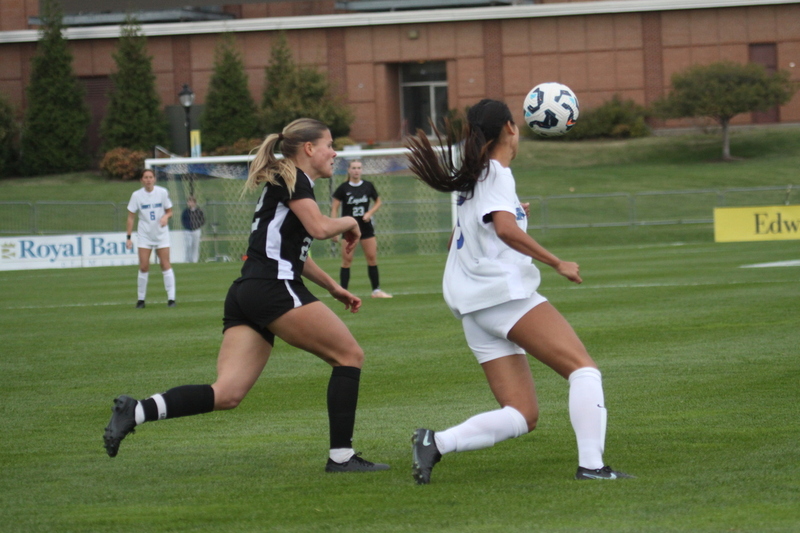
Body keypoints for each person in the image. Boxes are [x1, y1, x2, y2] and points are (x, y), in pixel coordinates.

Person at [104, 118, 390, 474]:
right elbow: (318, 230)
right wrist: (352, 223)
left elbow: (291, 251)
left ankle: (137, 410)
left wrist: (333, 287)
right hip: (272, 288)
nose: (336, 152)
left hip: (247, 291)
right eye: (330, 144)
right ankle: (342, 458)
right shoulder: (296, 180)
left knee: (227, 394)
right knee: (349, 355)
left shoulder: (290, 182)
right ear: (309, 149)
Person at [405, 99, 632, 484]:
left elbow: (463, 238)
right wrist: (557, 262)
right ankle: (592, 466)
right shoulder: (495, 172)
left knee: (522, 414)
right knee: (584, 371)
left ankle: (436, 442)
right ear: (511, 127)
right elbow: (506, 231)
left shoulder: (474, 177)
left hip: (475, 309)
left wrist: (512, 212)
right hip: (503, 297)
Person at [330, 160, 392, 298]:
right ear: (349, 170)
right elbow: (334, 207)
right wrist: (334, 227)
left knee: (372, 258)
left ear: (361, 170)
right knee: (347, 260)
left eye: (359, 168)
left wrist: (370, 213)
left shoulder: (368, 186)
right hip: (349, 229)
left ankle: (376, 291)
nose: (356, 170)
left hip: (365, 228)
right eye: (353, 168)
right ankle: (343, 292)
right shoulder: (343, 188)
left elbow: (378, 201)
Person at [126, 169, 176, 308]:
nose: (148, 180)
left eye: (150, 177)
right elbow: (130, 217)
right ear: (142, 180)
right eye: (145, 177)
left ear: (154, 179)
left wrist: (166, 217)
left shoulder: (162, 192)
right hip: (144, 235)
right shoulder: (136, 195)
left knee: (165, 265)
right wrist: (128, 237)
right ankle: (141, 299)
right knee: (143, 266)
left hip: (161, 234)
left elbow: (170, 211)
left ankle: (171, 299)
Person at [181, 195, 206, 263]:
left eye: (191, 202)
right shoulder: (186, 211)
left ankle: (194, 260)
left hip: (196, 230)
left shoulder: (199, 211)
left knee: (195, 246)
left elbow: (202, 220)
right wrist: (187, 226)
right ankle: (187, 260)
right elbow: (183, 220)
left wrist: (197, 225)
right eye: (188, 202)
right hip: (188, 230)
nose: (189, 203)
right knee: (188, 245)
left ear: (194, 203)